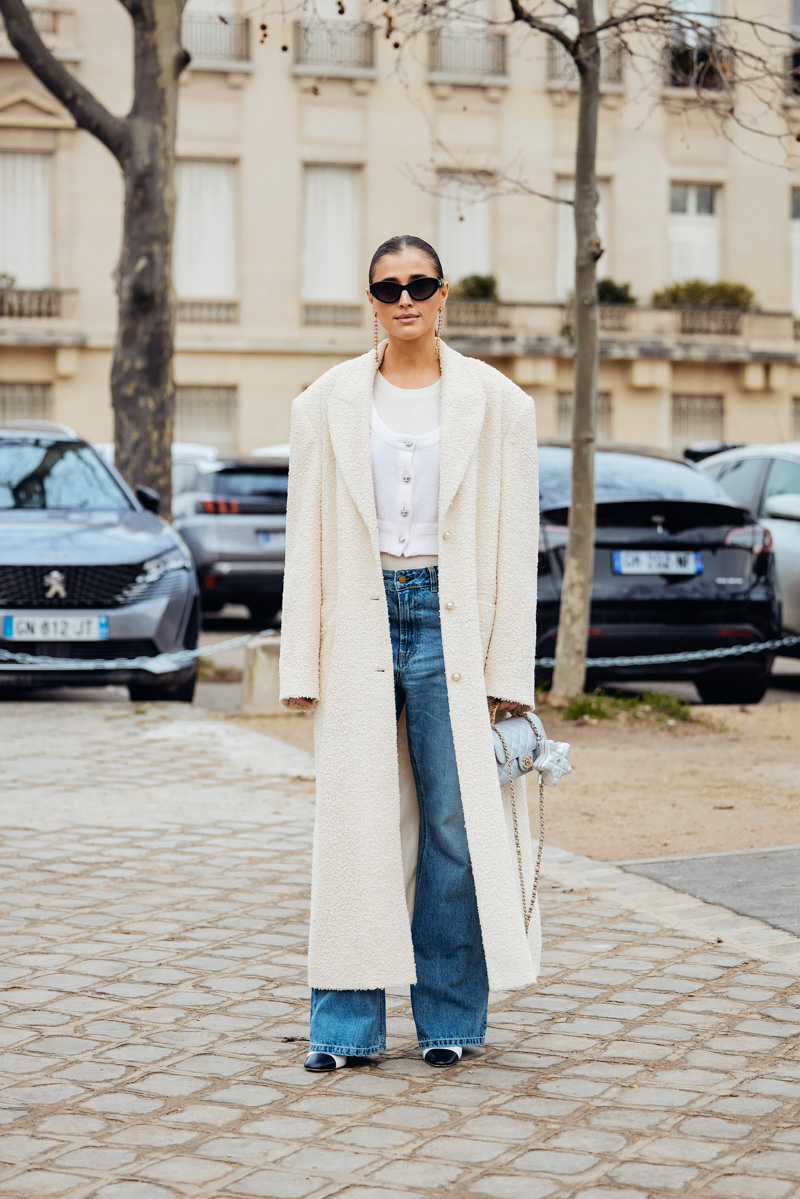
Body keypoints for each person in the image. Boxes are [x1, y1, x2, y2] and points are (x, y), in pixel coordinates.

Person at [279, 234, 541, 1071]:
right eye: (389, 286)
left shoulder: (500, 405)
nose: (405, 298)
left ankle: (451, 1019)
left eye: (419, 284)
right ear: (371, 298)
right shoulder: (323, 402)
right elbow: (304, 537)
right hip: (358, 616)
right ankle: (344, 1030)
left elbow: (515, 546)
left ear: (443, 293)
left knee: (454, 826)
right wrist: (300, 665)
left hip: (448, 619)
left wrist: (509, 673)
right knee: (355, 825)